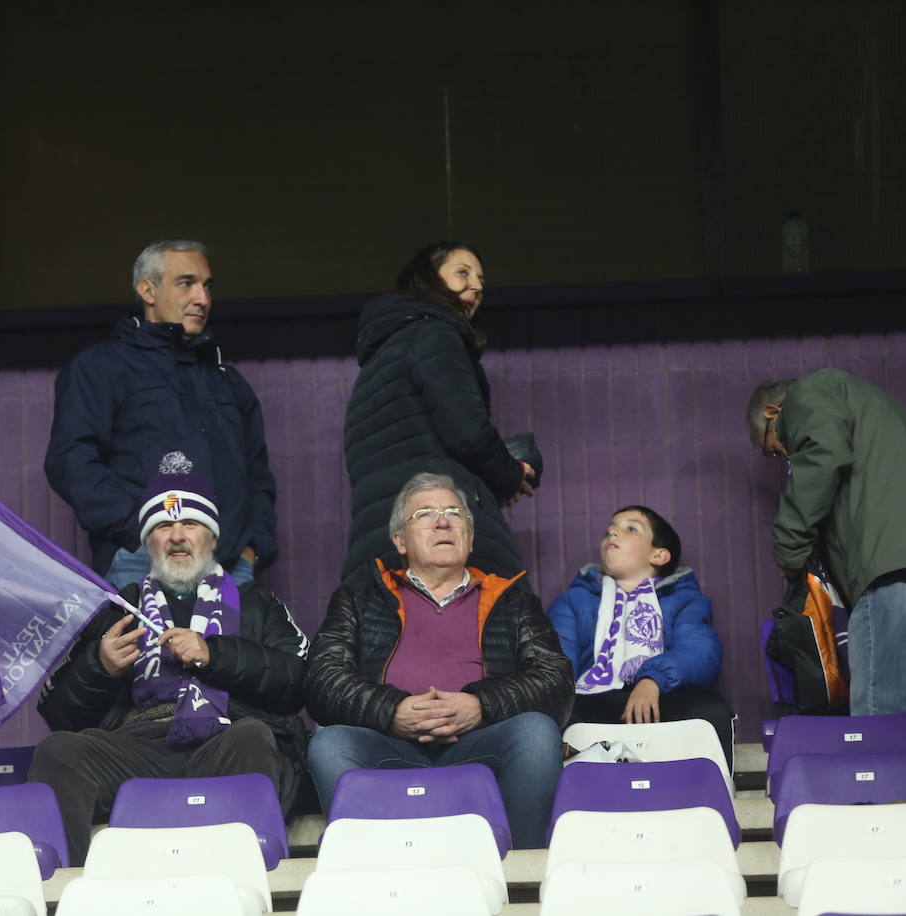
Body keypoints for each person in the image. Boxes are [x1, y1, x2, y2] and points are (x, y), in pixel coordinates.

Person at [28, 455, 309, 866]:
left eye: (190, 524)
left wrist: (214, 655)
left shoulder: (256, 605)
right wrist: (98, 667)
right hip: (136, 748)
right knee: (58, 752)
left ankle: (243, 882)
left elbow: (299, 682)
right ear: (148, 543)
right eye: (163, 526)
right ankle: (76, 895)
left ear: (212, 539)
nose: (177, 536)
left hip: (224, 741)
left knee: (252, 738)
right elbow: (58, 712)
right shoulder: (117, 610)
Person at [305, 472, 572, 849]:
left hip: (480, 743)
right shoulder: (358, 599)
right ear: (399, 540)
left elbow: (555, 679)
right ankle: (371, 865)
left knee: (536, 735)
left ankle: (521, 872)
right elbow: (322, 679)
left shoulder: (512, 600)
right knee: (330, 744)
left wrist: (480, 705)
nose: (443, 520)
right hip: (388, 744)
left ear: (471, 535)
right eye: (425, 513)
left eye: (454, 512)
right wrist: (392, 711)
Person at [44, 239, 277, 588]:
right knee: (147, 647)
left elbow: (257, 476)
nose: (202, 298)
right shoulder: (100, 367)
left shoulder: (227, 381)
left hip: (228, 565)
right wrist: (143, 530)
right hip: (143, 560)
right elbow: (71, 461)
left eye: (207, 286)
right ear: (147, 290)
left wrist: (252, 549)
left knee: (231, 646)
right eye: (186, 284)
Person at [342, 241, 535, 584]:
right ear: (427, 279)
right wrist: (511, 474)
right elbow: (468, 433)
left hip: (387, 536)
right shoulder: (436, 333)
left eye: (480, 280)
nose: (475, 285)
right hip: (441, 533)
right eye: (462, 273)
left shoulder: (383, 355)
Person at [747, 369, 906, 716]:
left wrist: (789, 551)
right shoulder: (883, 413)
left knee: (881, 710)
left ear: (773, 413)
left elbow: (821, 458)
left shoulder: (812, 392)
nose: (786, 458)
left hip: (890, 567)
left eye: (776, 450)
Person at [546, 506, 735, 768]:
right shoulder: (573, 600)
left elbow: (700, 650)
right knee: (552, 718)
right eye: (610, 528)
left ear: (658, 555)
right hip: (592, 698)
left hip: (660, 695)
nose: (613, 531)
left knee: (710, 712)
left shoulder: (686, 599)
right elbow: (557, 662)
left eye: (630, 528)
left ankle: (704, 796)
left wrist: (652, 680)